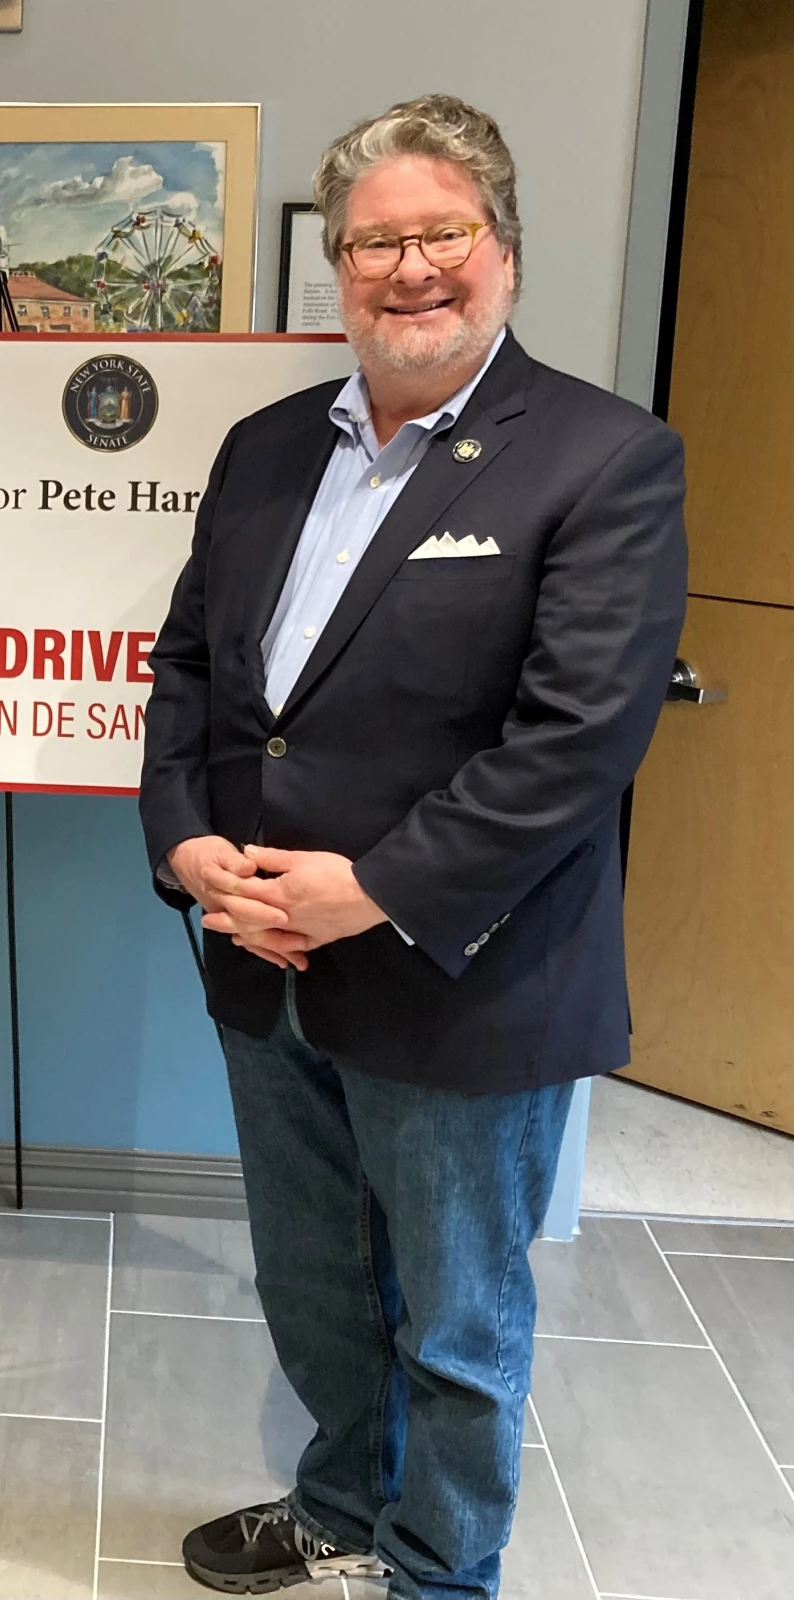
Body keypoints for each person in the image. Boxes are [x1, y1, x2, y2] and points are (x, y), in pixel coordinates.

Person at [139, 94, 686, 1600]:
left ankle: (441, 1571)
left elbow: (575, 740)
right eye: (374, 242)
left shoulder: (601, 458)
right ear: (340, 266)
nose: (408, 270)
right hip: (263, 959)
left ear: (502, 250)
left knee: (453, 1318)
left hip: (464, 977)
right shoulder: (261, 450)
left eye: (440, 234)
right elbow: (188, 672)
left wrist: (373, 888)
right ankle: (338, 1502)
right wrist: (190, 851)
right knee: (316, 1284)